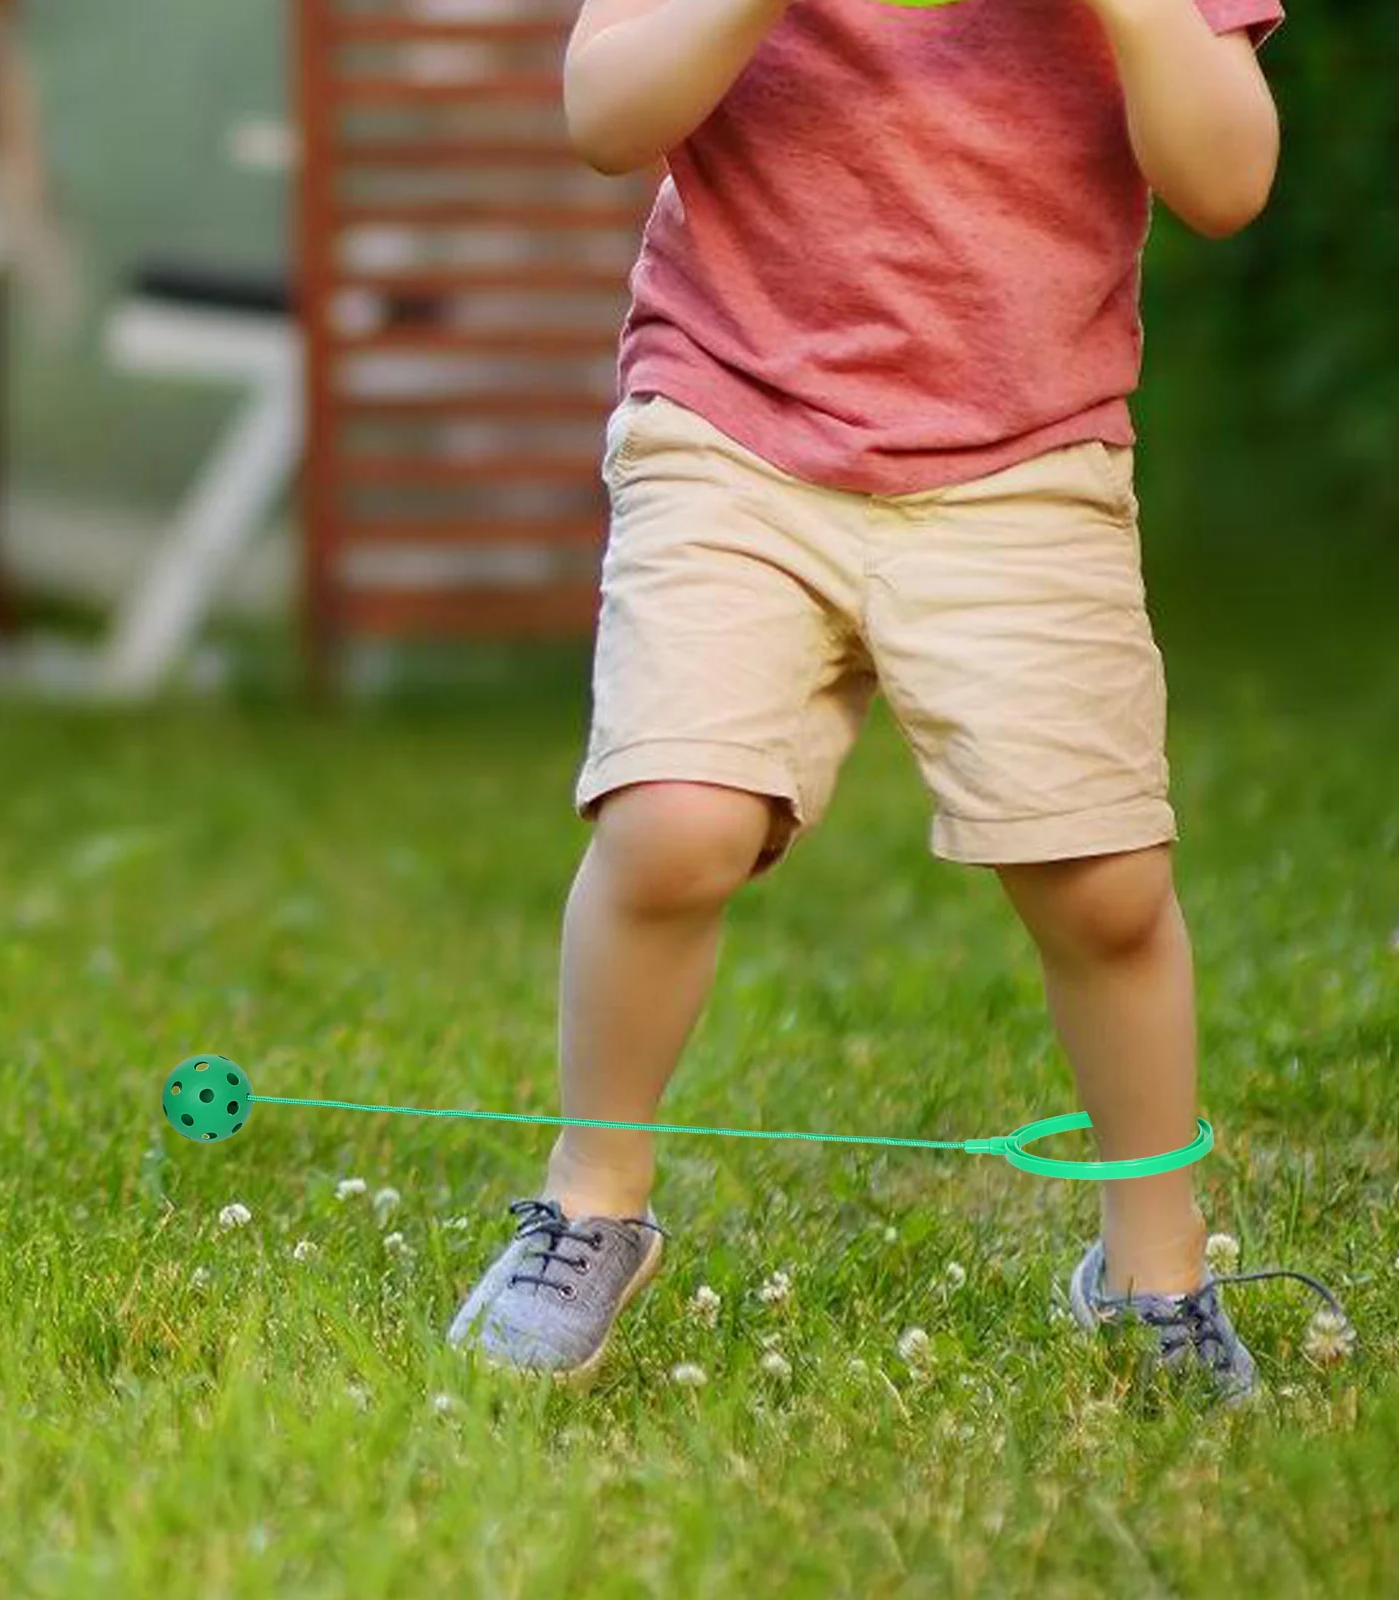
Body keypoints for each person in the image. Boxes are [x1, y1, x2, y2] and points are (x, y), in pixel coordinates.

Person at [448, 0, 1321, 1402]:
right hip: (731, 428)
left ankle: (1155, 1269)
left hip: (1024, 453)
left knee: (1103, 885)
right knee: (674, 820)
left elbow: (1227, 184)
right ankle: (590, 1204)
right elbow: (605, 119)